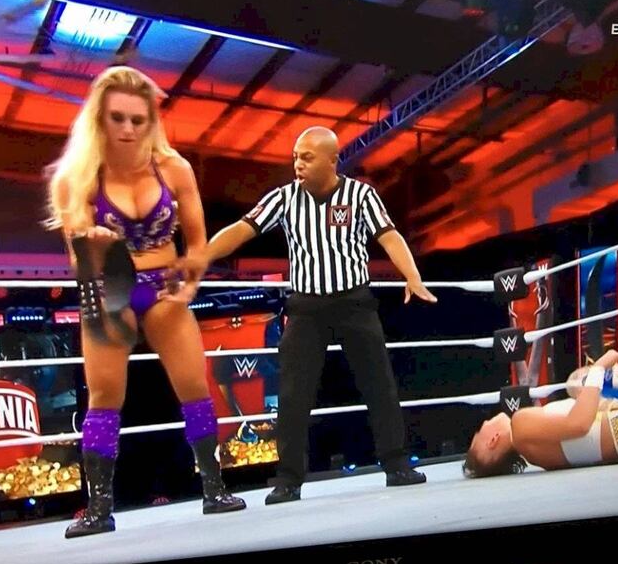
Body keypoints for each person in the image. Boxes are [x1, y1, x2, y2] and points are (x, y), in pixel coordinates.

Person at [171, 126, 437, 504]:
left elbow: (389, 235)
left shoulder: (361, 195)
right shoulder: (284, 197)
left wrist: (412, 276)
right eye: (296, 157)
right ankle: (288, 480)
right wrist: (201, 256)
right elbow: (242, 230)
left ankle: (396, 464)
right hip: (306, 307)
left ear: (332, 160)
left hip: (354, 302)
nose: (298, 164)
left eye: (307, 158)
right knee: (293, 394)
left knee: (379, 385)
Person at [45, 66, 245, 538]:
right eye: (118, 118)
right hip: (107, 287)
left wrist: (191, 281)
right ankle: (98, 508)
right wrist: (93, 243)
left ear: (151, 121)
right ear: (99, 119)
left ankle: (214, 488)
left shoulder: (174, 168)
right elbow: (77, 257)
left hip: (164, 283)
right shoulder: (77, 177)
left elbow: (198, 243)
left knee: (194, 385)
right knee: (104, 397)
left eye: (138, 119)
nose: (129, 129)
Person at [463, 310, 618, 477]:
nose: (482, 425)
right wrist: (599, 366)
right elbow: (580, 424)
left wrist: (606, 385)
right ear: (492, 440)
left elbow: (590, 435)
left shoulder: (536, 455)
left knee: (578, 382)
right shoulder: (520, 425)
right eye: (478, 433)